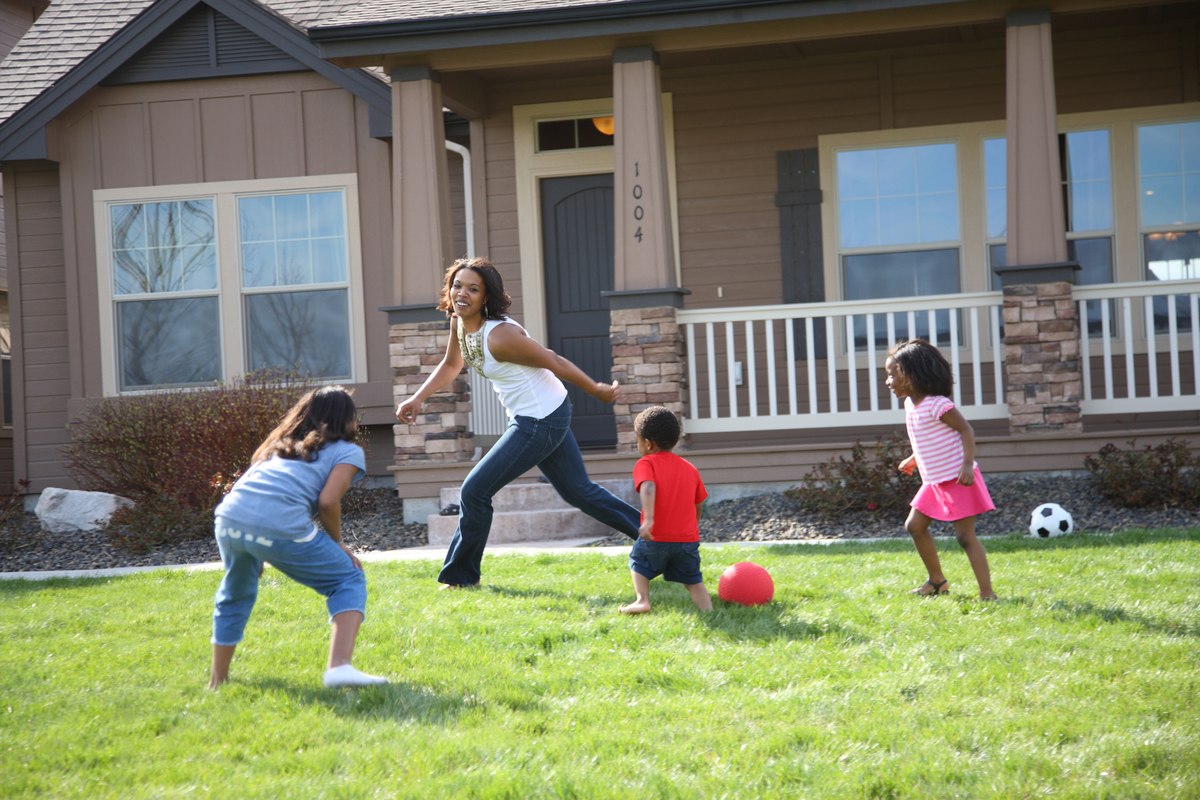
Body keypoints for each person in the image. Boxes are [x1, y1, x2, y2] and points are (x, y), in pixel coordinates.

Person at [396, 257, 641, 588]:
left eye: (473, 289)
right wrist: (417, 398)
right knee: (578, 491)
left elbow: (553, 360)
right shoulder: (459, 322)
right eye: (457, 285)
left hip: (540, 420)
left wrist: (596, 389)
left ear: (486, 296)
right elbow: (452, 364)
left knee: (474, 491)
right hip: (544, 413)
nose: (462, 294)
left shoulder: (501, 336)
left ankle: (460, 578)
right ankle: (659, 537)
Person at [208, 386, 387, 689]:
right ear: (346, 419)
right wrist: (338, 543)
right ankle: (339, 668)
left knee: (235, 593)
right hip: (278, 524)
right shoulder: (347, 451)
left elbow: (248, 492)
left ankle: (217, 681)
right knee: (348, 577)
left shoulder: (276, 448)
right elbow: (328, 502)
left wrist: (251, 550)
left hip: (228, 519)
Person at [885, 339, 998, 600]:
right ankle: (937, 581)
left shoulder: (937, 404)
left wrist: (967, 465)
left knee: (965, 537)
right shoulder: (910, 405)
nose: (889, 382)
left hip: (958, 478)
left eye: (892, 375)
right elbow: (929, 439)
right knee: (914, 526)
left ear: (912, 375)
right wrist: (914, 458)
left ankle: (987, 594)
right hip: (934, 481)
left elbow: (966, 430)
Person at [619, 405, 712, 614]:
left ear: (648, 444)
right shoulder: (690, 468)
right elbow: (698, 505)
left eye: (637, 441)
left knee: (638, 560)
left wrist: (648, 520)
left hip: (656, 537)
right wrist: (692, 529)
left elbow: (648, 486)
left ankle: (642, 600)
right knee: (693, 580)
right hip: (687, 541)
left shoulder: (646, 463)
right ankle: (708, 611)